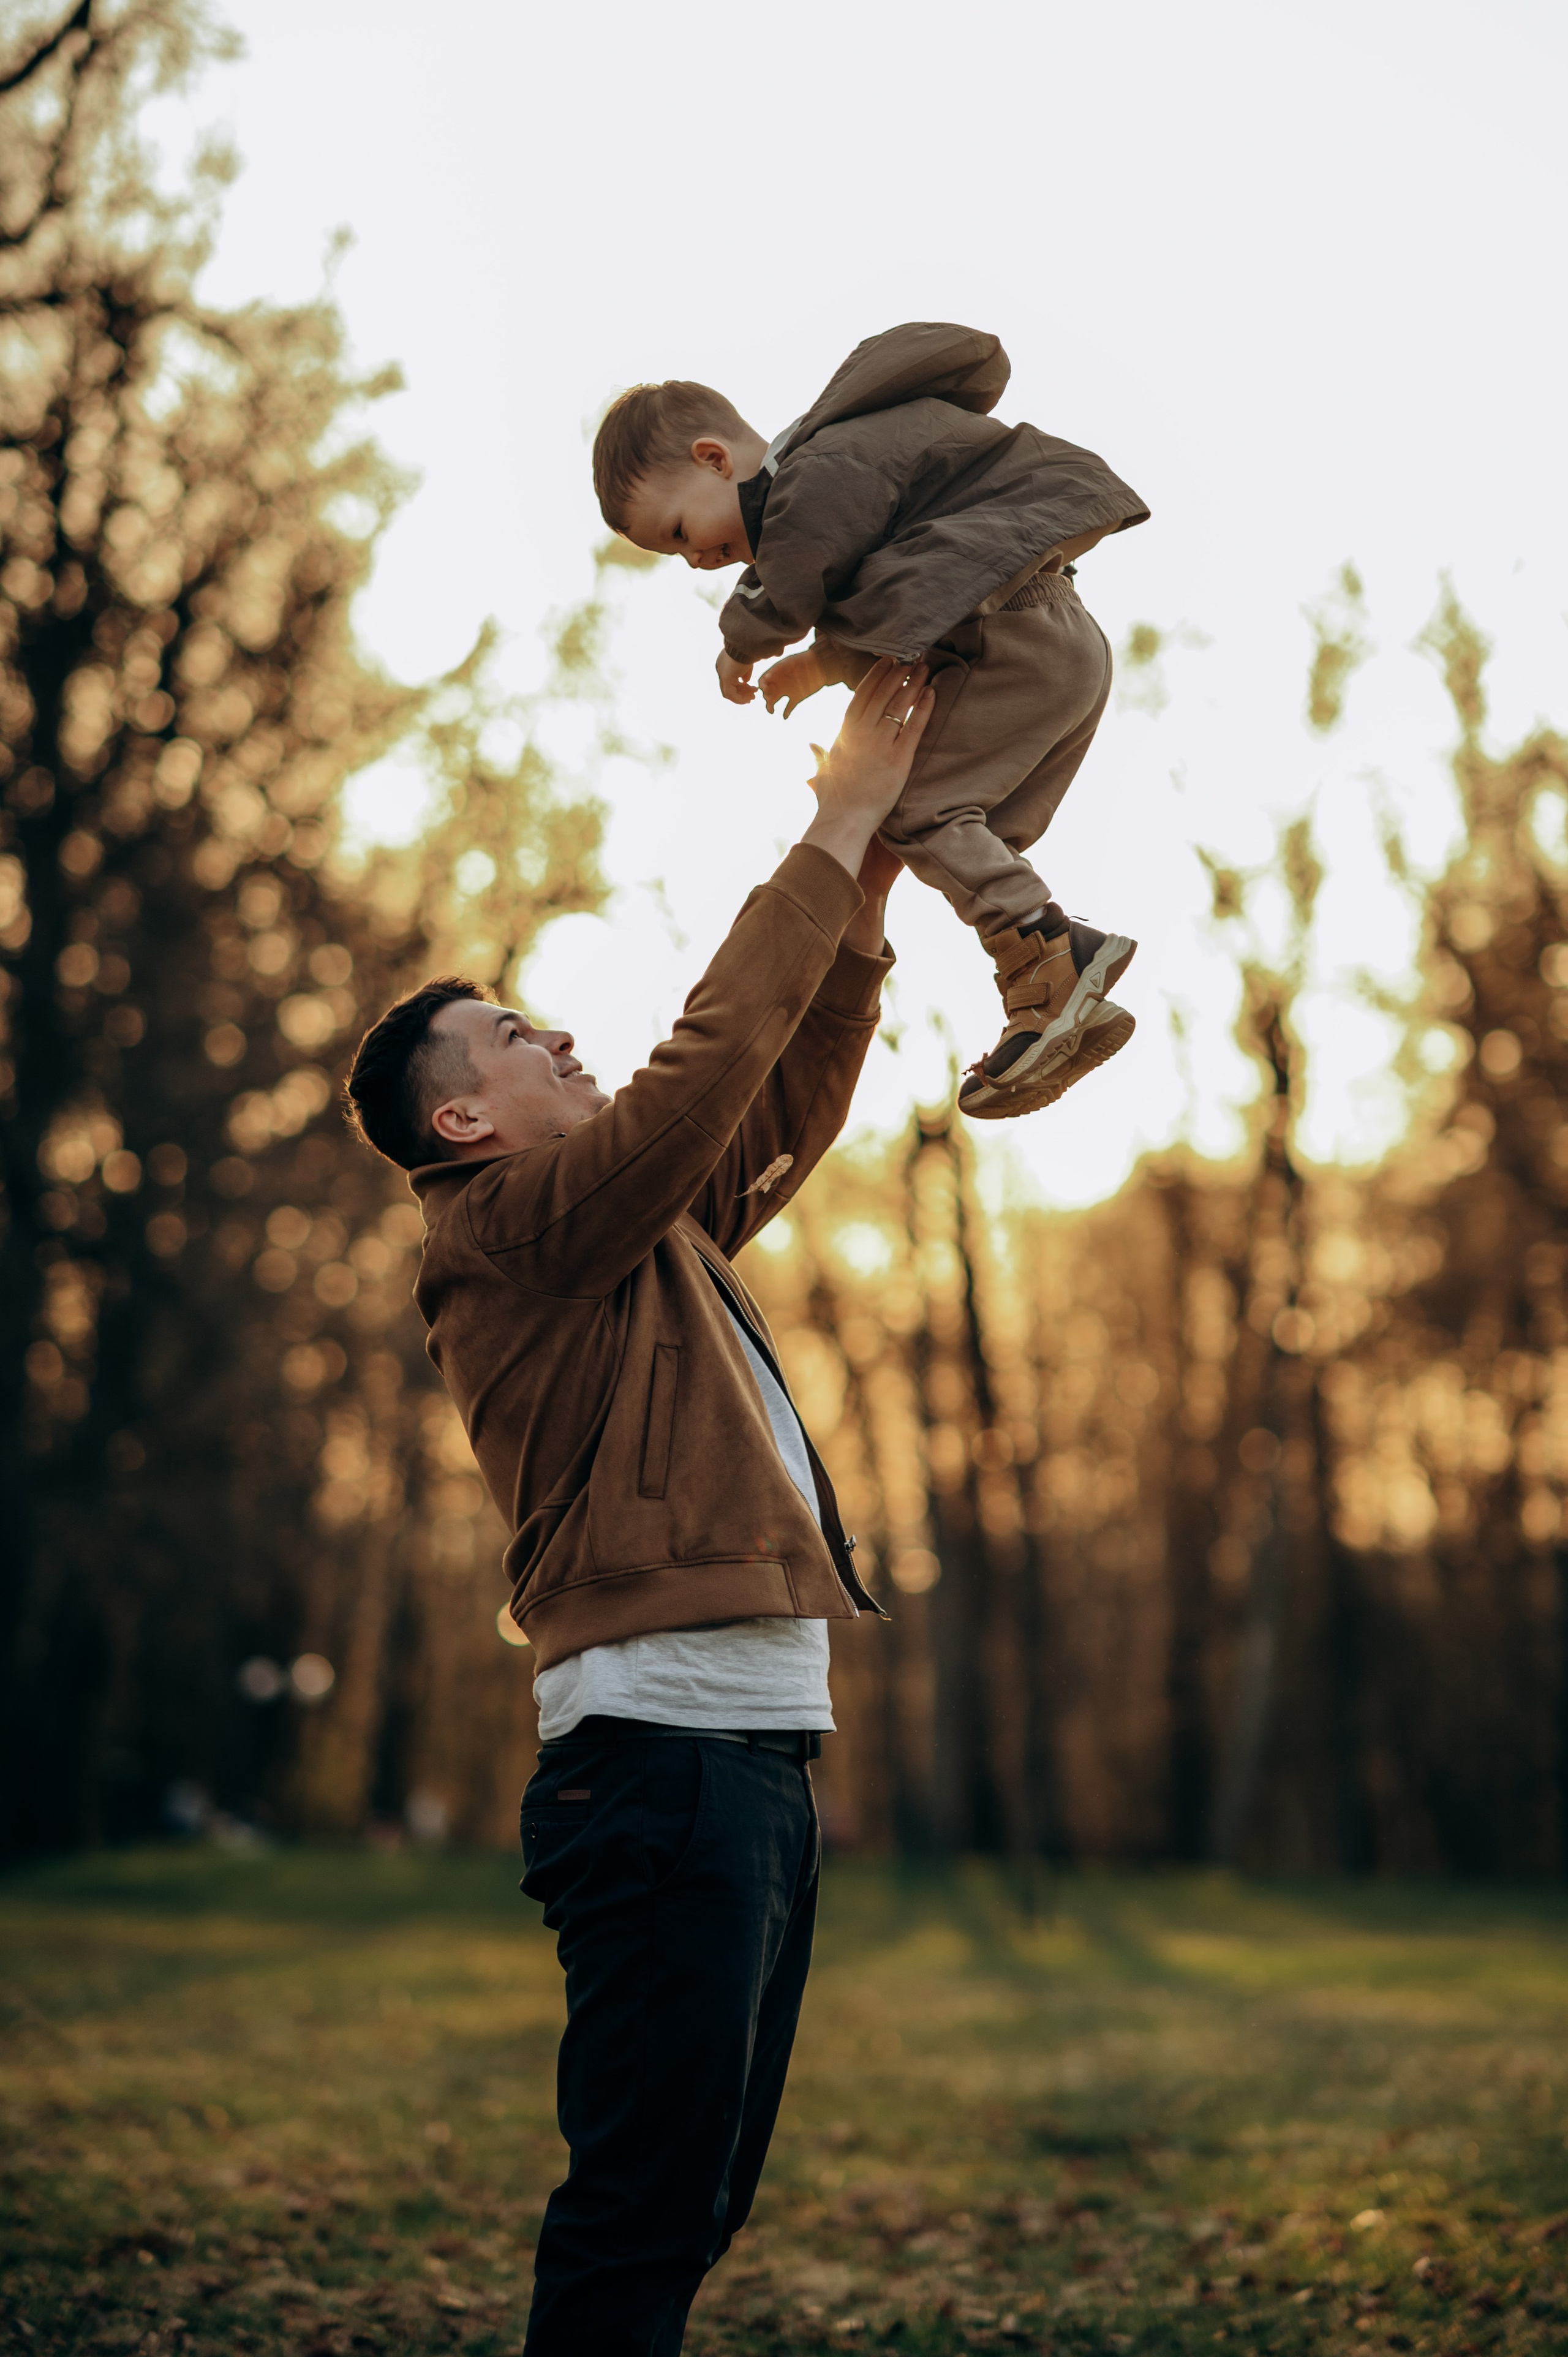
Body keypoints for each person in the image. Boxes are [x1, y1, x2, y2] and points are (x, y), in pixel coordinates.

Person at [345, 658, 935, 2355]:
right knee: (640, 2210)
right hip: (660, 1777)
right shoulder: (505, 1230)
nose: (559, 1037)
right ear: (463, 1120)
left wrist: (866, 907)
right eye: (520, 1038)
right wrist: (825, 828)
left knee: (696, 2205)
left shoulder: (634, 1237)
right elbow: (698, 1074)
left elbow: (765, 1115)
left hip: (744, 1771)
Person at [592, 320, 1152, 1123]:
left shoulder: (811, 478)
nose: (697, 561)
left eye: (682, 533)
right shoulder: (828, 492)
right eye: (676, 557)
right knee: (972, 831)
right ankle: (1053, 998)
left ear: (714, 460)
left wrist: (740, 640)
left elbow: (797, 574)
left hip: (1016, 638)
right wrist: (819, 665)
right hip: (1048, 641)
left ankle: (1056, 962)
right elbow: (899, 593)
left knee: (919, 809)